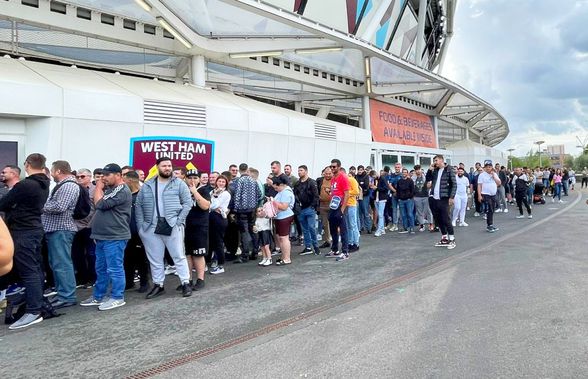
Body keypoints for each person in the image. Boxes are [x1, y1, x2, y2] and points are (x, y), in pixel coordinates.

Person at [0, 153, 50, 329]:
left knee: (29, 271)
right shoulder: (44, 183)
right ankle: (37, 305)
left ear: (27, 165)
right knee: (35, 269)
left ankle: (33, 310)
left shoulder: (26, 185)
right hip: (34, 229)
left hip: (24, 232)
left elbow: (4, 203)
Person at [136, 157, 193, 298]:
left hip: (172, 225)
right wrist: (141, 228)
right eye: (164, 166)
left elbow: (187, 203)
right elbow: (139, 206)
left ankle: (185, 283)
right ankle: (158, 285)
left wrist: (179, 221)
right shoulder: (148, 185)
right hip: (151, 227)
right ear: (157, 167)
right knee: (155, 258)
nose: (167, 168)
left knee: (178, 255)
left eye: (169, 165)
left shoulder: (179, 183)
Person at [80, 163, 132, 311]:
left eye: (107, 175)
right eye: (102, 175)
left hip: (115, 236)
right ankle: (99, 296)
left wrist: (97, 187)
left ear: (118, 175)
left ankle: (117, 297)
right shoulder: (111, 190)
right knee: (101, 268)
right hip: (103, 236)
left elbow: (100, 204)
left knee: (114, 268)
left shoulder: (121, 190)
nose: (103, 178)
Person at [43, 160, 80, 309]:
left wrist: (41, 205)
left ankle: (67, 296)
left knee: (62, 264)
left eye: (52, 171)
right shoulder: (64, 185)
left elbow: (60, 206)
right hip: (56, 229)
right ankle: (62, 294)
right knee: (57, 264)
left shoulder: (69, 185)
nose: (51, 174)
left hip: (61, 229)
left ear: (58, 171)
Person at [122, 171, 149, 293]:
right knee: (127, 258)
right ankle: (129, 282)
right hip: (126, 232)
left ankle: (144, 282)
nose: (122, 183)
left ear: (130, 180)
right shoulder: (126, 195)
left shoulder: (143, 194)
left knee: (141, 258)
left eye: (124, 180)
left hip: (141, 232)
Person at [183, 170, 210, 291]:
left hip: (199, 227)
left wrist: (195, 192)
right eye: (189, 178)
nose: (192, 180)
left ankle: (200, 279)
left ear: (199, 179)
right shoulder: (182, 190)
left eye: (195, 177)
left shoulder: (203, 190)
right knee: (187, 254)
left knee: (198, 254)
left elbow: (205, 206)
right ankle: (187, 280)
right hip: (184, 227)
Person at [231, 163, 262, 263]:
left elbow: (237, 196)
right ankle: (255, 252)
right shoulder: (253, 180)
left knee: (244, 232)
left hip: (242, 210)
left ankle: (245, 255)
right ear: (247, 170)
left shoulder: (240, 180)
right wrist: (255, 204)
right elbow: (260, 194)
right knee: (252, 229)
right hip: (252, 209)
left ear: (240, 171)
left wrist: (235, 210)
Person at [71, 168, 96, 288]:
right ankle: (82, 278)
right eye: (78, 177)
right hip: (75, 226)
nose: (79, 179)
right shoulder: (74, 190)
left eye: (83, 176)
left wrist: (91, 224)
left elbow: (97, 208)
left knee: (91, 254)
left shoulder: (95, 190)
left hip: (89, 226)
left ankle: (93, 278)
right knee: (77, 254)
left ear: (89, 177)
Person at [428, 155, 457, 249]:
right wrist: (430, 169)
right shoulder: (436, 170)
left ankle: (452, 239)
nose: (435, 162)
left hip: (444, 198)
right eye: (434, 161)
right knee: (438, 219)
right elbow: (428, 179)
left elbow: (454, 184)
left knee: (446, 219)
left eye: (436, 160)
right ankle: (444, 237)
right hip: (434, 198)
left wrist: (451, 197)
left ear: (441, 160)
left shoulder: (449, 169)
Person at [326, 159, 350, 261]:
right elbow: (334, 192)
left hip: (341, 206)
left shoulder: (343, 177)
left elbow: (347, 194)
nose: (332, 168)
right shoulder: (333, 179)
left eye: (334, 167)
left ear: (339, 167)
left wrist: (342, 209)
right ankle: (335, 249)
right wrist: (330, 194)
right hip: (333, 206)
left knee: (343, 229)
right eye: (331, 166)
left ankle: (345, 252)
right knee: (332, 228)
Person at [293, 165, 320, 256]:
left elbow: (316, 195)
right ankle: (308, 247)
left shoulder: (312, 182)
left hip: (310, 208)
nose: (299, 172)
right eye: (298, 170)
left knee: (311, 227)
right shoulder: (297, 183)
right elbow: (295, 195)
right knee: (305, 229)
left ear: (306, 171)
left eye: (301, 170)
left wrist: (313, 206)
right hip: (301, 209)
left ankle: (316, 246)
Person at [209, 175, 231, 275]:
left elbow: (213, 205)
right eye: (219, 181)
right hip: (211, 217)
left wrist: (216, 197)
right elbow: (208, 205)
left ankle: (221, 264)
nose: (221, 183)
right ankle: (213, 260)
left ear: (226, 184)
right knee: (212, 241)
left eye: (223, 182)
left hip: (219, 219)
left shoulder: (226, 194)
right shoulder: (211, 192)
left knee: (218, 241)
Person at [271, 175, 295, 265]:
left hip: (285, 217)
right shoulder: (281, 192)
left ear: (281, 184)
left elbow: (284, 207)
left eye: (276, 187)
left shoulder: (286, 193)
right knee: (280, 238)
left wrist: (273, 201)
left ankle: (287, 258)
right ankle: (283, 256)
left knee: (284, 238)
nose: (275, 189)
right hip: (280, 217)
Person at [478, 160, 501, 233]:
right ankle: (489, 225)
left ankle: (490, 224)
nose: (488, 168)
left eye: (490, 167)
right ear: (484, 168)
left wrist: (493, 175)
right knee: (489, 209)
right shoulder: (482, 175)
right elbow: (479, 185)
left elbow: (499, 183)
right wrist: (479, 195)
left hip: (493, 194)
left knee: (492, 209)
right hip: (485, 194)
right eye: (487, 167)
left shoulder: (494, 174)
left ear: (492, 167)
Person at [341, 168, 361, 251]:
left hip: (351, 204)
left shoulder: (351, 180)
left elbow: (356, 191)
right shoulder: (342, 182)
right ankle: (350, 242)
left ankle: (356, 243)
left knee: (353, 225)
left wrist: (346, 192)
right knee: (348, 225)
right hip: (345, 205)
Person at [412, 165, 433, 232]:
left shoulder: (425, 177)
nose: (418, 171)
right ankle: (422, 225)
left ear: (421, 169)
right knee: (419, 212)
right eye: (416, 170)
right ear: (415, 171)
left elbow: (429, 185)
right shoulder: (413, 178)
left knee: (428, 211)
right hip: (417, 196)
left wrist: (429, 185)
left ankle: (430, 224)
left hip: (425, 196)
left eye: (419, 169)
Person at [316, 167, 333, 248]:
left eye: (329, 173)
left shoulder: (334, 180)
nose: (328, 175)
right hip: (323, 204)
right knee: (325, 224)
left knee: (334, 223)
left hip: (332, 204)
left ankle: (335, 239)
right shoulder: (320, 180)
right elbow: (317, 190)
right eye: (326, 173)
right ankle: (327, 240)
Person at [396, 168, 415, 234]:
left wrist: (410, 197)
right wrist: (398, 198)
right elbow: (397, 190)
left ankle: (412, 228)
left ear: (407, 173)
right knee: (403, 215)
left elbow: (413, 190)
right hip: (401, 200)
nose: (404, 173)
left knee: (410, 214)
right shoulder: (399, 181)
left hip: (408, 200)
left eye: (405, 172)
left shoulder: (410, 181)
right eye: (403, 172)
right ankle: (405, 228)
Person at [355, 165, 372, 234]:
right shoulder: (356, 176)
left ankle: (368, 227)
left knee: (365, 211)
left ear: (363, 170)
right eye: (359, 169)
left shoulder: (366, 176)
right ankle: (360, 227)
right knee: (359, 213)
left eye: (361, 170)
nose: (360, 171)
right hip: (358, 196)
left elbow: (366, 186)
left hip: (365, 196)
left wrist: (361, 188)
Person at [374, 170, 388, 237]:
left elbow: (385, 188)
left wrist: (376, 188)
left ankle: (379, 230)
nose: (373, 177)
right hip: (377, 198)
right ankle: (382, 229)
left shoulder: (382, 179)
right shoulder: (376, 180)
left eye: (374, 176)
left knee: (380, 214)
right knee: (380, 214)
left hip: (382, 198)